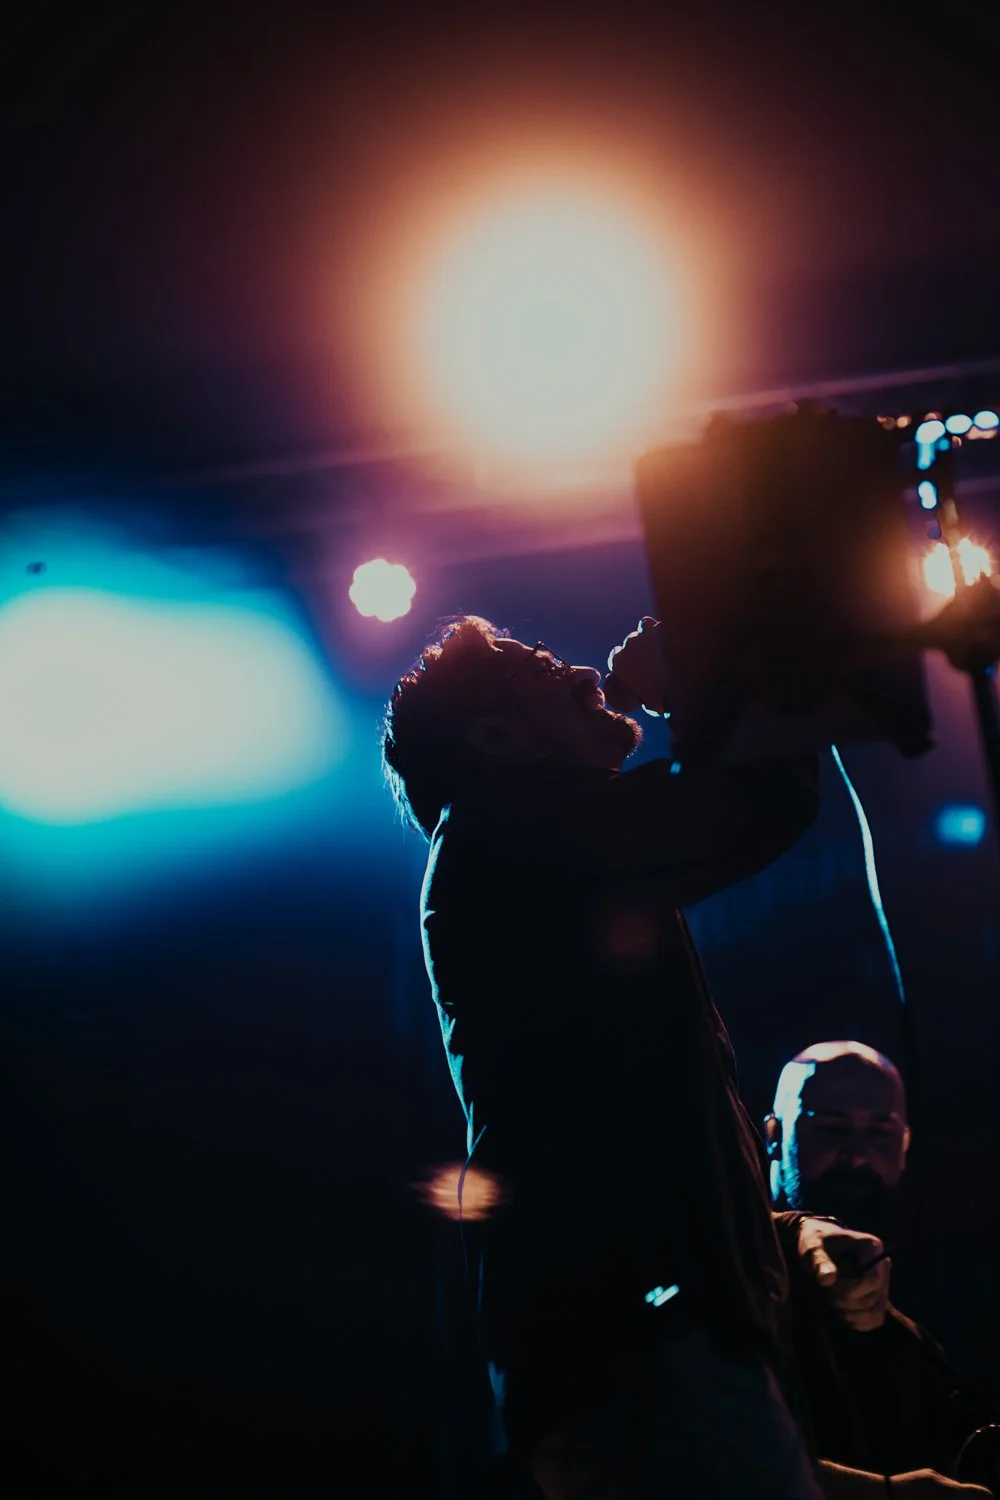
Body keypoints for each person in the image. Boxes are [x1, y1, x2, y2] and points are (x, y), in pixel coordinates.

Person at [382, 615, 989, 1498]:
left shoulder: (538, 860)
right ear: (495, 733)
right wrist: (701, 685)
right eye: (546, 668)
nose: (586, 670)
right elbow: (755, 806)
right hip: (640, 1341)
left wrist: (792, 1242)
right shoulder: (500, 833)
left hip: (648, 1343)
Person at [767, 1042, 1000, 1492]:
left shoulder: (947, 1294)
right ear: (774, 1136)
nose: (856, 1155)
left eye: (880, 1133)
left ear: (905, 1144)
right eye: (831, 1129)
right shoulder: (739, 1268)